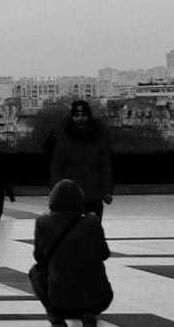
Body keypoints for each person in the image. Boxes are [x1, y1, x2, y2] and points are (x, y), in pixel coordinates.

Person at [32, 179, 112, 327]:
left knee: (36, 272)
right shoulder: (92, 221)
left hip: (60, 300)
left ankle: (56, 318)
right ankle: (88, 314)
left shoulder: (43, 223)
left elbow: (39, 259)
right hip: (98, 300)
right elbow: (104, 254)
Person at [47, 101, 115, 218]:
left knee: (93, 231)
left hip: (94, 192)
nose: (80, 119)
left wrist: (107, 190)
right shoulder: (65, 134)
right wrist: (55, 191)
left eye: (83, 115)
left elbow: (106, 165)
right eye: (76, 116)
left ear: (89, 116)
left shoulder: (99, 133)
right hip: (71, 194)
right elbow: (56, 165)